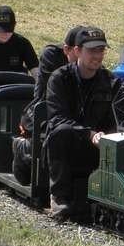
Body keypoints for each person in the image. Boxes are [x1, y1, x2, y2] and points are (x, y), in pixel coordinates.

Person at [45, 26, 124, 221]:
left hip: (100, 147)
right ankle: (60, 197)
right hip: (69, 144)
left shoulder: (113, 83)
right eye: (92, 50)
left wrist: (109, 137)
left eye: (101, 50)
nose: (98, 55)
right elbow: (57, 119)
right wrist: (89, 134)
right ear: (77, 51)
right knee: (60, 132)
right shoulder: (59, 78)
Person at [11, 25, 83, 185]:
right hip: (42, 112)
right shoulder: (52, 55)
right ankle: (23, 148)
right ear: (68, 49)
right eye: (79, 51)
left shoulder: (89, 64)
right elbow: (55, 90)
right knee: (28, 175)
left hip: (70, 112)